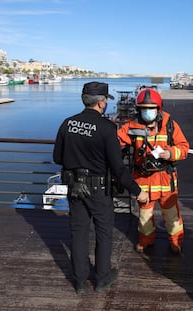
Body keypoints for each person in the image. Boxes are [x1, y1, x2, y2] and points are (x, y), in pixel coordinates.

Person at [53, 81, 149, 295]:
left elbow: (57, 157)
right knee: (103, 232)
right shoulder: (107, 128)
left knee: (78, 233)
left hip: (74, 188)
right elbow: (118, 169)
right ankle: (102, 278)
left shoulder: (67, 123)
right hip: (98, 189)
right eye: (105, 100)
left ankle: (79, 282)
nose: (106, 104)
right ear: (101, 103)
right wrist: (138, 191)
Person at [117, 87, 189, 254]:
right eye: (144, 109)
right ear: (138, 109)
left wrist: (170, 153)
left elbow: (184, 148)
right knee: (144, 216)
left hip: (165, 180)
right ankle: (146, 240)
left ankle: (176, 242)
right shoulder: (131, 126)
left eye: (151, 109)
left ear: (159, 109)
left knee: (172, 216)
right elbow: (116, 142)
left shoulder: (170, 125)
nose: (147, 112)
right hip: (143, 179)